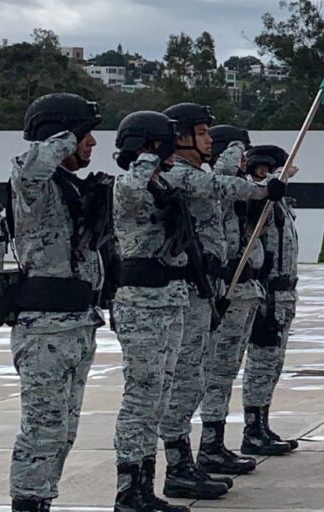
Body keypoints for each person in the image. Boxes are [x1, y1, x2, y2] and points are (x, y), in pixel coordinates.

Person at [157, 105, 279, 496]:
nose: (208, 140)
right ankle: (182, 463)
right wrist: (260, 186)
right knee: (189, 379)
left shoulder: (201, 176)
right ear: (181, 138)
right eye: (202, 133)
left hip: (209, 292)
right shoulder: (180, 175)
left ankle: (197, 454)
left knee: (204, 377)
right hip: (190, 292)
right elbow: (219, 186)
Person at [7, 93, 105, 511]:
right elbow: (32, 167)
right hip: (44, 328)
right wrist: (66, 133)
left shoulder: (71, 187)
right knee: (42, 430)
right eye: (86, 135)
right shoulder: (35, 183)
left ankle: (42, 500)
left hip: (77, 323)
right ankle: (28, 504)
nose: (91, 143)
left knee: (63, 431)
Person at [110, 111, 196, 512]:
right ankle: (129, 488)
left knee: (157, 396)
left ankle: (145, 484)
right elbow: (127, 191)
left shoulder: (161, 185)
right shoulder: (132, 182)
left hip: (168, 299)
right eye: (168, 142)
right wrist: (147, 155)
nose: (174, 149)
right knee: (141, 396)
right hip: (141, 302)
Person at [198, 125, 269, 472]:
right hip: (228, 289)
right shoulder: (216, 185)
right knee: (217, 371)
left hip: (246, 290)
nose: (246, 158)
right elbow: (227, 189)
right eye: (240, 150)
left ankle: (216, 441)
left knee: (227, 371)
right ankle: (209, 444)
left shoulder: (239, 188)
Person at [241, 145, 300, 456]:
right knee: (262, 362)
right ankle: (252, 427)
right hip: (268, 293)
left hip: (285, 292)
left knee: (274, 363)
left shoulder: (280, 204)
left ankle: (262, 421)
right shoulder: (261, 203)